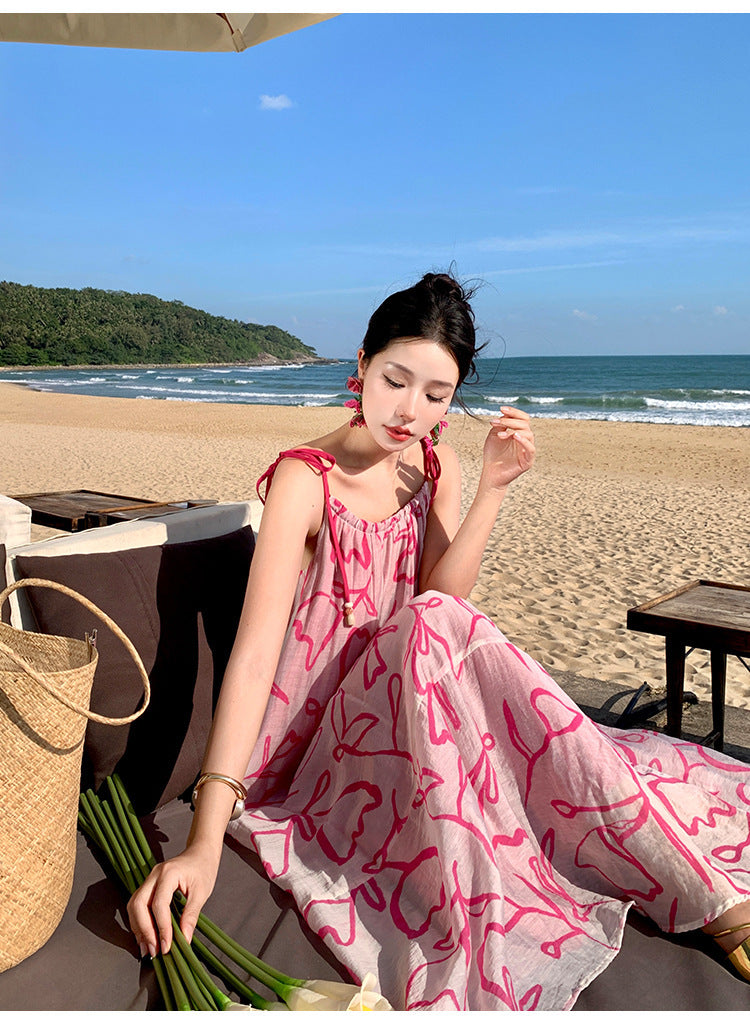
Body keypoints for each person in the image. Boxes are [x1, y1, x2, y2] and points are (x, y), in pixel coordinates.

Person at [128, 271, 750, 1010]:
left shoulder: (433, 464)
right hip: (318, 738)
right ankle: (707, 900)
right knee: (436, 625)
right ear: (359, 365)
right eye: (396, 380)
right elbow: (258, 652)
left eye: (436, 395)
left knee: (439, 624)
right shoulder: (305, 478)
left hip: (415, 707)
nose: (410, 410)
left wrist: (491, 490)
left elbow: (442, 597)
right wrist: (206, 832)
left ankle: (675, 870)